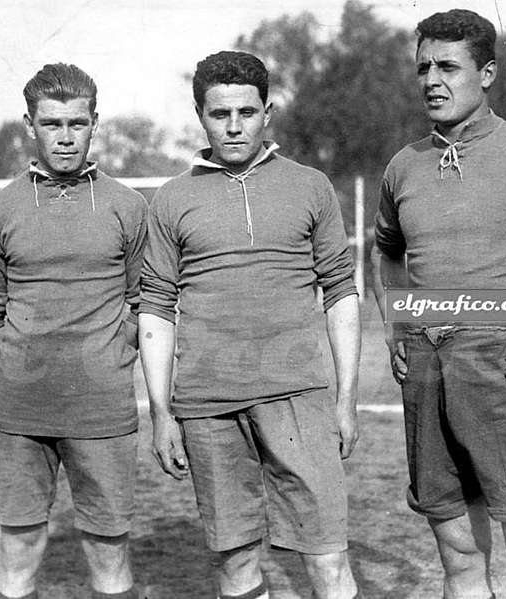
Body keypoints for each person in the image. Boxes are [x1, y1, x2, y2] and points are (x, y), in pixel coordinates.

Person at [372, 9, 506, 599]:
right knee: (461, 564)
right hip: (424, 369)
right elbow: (386, 254)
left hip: (503, 365)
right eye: (423, 68)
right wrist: (398, 327)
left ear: (488, 73)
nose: (432, 81)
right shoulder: (404, 164)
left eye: (448, 66)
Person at [139, 51, 362, 599]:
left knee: (328, 558)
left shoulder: (311, 186)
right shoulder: (172, 199)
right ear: (200, 115)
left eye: (246, 111)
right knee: (236, 565)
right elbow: (156, 308)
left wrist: (346, 399)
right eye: (220, 114)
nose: (234, 126)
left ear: (268, 111)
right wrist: (163, 413)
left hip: (298, 398)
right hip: (209, 405)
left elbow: (340, 292)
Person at [0, 63, 148, 599]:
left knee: (108, 551)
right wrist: (28, 362)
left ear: (95, 123)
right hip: (23, 410)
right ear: (30, 125)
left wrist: (108, 359)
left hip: (103, 408)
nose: (65, 137)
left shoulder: (127, 206)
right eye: (51, 124)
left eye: (76, 123)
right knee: (18, 548)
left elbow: (146, 301)